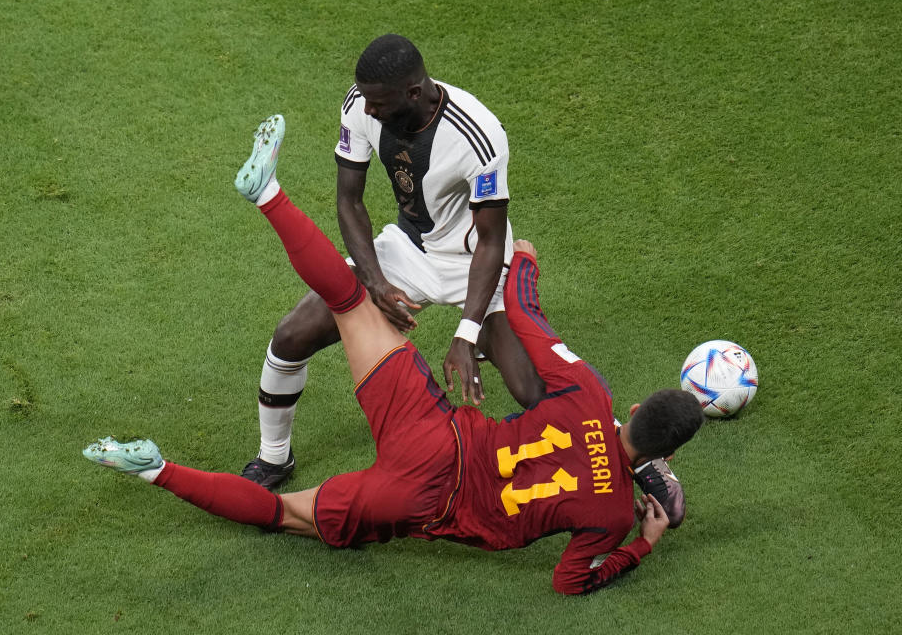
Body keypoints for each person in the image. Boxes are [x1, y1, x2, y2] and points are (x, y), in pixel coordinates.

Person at [84, 116, 705, 594]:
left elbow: (524, 315)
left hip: (436, 431)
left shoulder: (590, 397)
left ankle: (269, 194)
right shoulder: (613, 514)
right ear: (666, 454)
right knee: (280, 514)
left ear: (636, 405)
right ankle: (154, 469)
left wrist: (526, 265)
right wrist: (643, 543)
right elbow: (569, 581)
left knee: (352, 299)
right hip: (421, 499)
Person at [240, 34, 545, 489]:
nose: (366, 111)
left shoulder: (478, 137)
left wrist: (466, 333)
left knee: (533, 390)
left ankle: (633, 457)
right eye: (364, 99)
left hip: (474, 263)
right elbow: (350, 202)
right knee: (292, 335)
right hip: (410, 247)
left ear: (414, 93)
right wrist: (376, 282)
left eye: (378, 103)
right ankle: (273, 457)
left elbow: (489, 241)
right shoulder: (361, 103)